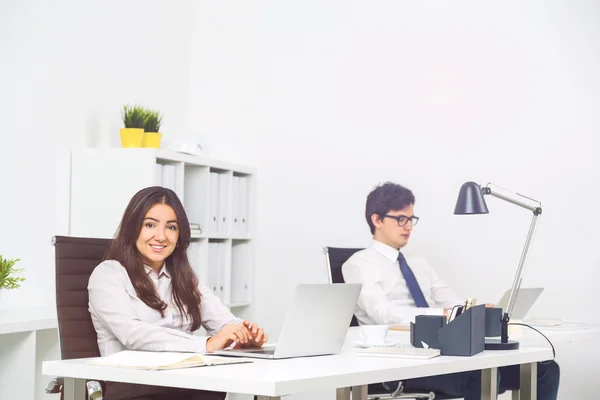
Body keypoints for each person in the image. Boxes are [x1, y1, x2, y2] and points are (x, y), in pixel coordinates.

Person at [342, 182, 560, 400]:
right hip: (397, 362)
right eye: (401, 219)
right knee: (481, 376)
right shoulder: (359, 264)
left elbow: (451, 301)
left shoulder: (419, 264)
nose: (408, 226)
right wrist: (442, 316)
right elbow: (382, 313)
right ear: (377, 220)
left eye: (411, 219)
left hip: (443, 352)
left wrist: (475, 311)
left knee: (546, 369)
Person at [88, 186, 268, 400]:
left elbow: (224, 322)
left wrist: (243, 333)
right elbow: (133, 334)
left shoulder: (183, 277)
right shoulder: (109, 274)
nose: (161, 236)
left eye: (171, 227)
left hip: (185, 382)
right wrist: (206, 344)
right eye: (150, 225)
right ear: (132, 228)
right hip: (135, 387)